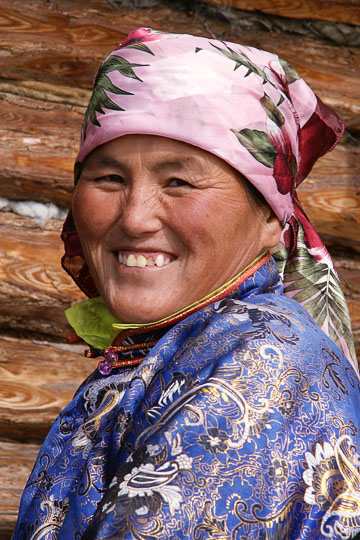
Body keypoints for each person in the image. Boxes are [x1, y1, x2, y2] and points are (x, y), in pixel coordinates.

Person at [14, 28, 360, 540]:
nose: (134, 219)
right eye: (108, 178)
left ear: (271, 218)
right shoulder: (180, 344)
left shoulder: (260, 367)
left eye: (179, 182)